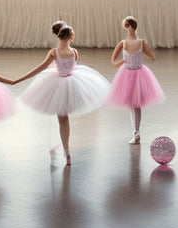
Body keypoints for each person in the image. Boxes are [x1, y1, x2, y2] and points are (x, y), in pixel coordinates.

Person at [15, 22, 110, 165]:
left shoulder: (54, 52)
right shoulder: (74, 52)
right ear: (69, 37)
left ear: (57, 35)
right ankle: (64, 150)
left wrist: (19, 79)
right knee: (65, 120)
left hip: (60, 85)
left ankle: (65, 150)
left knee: (63, 120)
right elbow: (73, 66)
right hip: (72, 84)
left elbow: (40, 68)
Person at [105, 16, 165, 144]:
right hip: (138, 73)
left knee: (133, 106)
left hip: (129, 74)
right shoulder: (141, 43)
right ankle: (136, 132)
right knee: (136, 106)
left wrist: (124, 60)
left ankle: (136, 133)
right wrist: (142, 55)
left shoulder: (124, 43)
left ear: (127, 27)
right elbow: (153, 56)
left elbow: (113, 62)